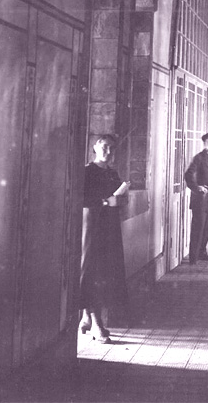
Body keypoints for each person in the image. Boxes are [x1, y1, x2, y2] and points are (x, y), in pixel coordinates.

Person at [80, 134, 130, 344]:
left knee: (106, 272)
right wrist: (104, 201)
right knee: (90, 271)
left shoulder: (112, 173)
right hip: (91, 227)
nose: (108, 153)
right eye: (104, 148)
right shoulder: (87, 172)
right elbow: (81, 198)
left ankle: (86, 317)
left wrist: (119, 198)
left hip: (109, 227)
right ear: (95, 148)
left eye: (112, 149)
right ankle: (96, 323)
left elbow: (120, 198)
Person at [185, 132, 208, 264]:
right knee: (198, 228)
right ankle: (193, 257)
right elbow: (188, 175)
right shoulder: (199, 158)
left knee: (206, 228)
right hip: (200, 200)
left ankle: (202, 252)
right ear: (205, 142)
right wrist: (197, 187)